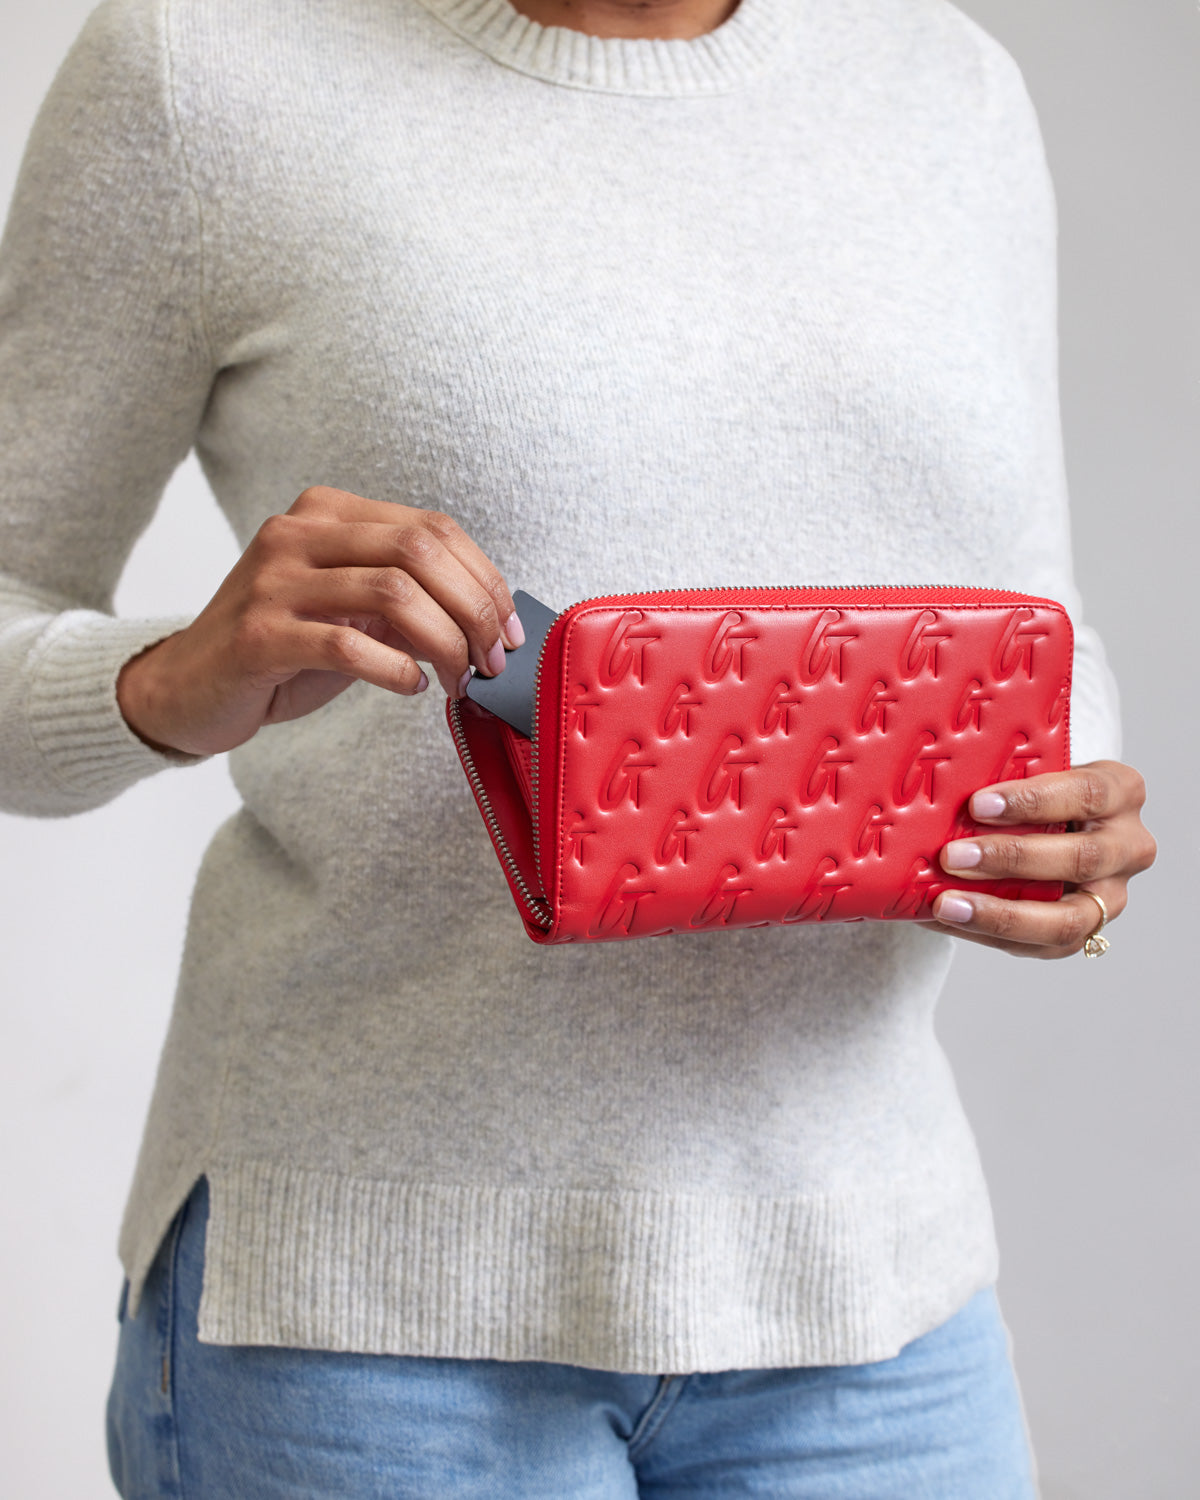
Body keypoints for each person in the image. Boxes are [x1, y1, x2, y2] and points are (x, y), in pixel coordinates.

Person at [0, 0, 1156, 1494]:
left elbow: (1040, 624)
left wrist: (1067, 817)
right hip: (366, 1321)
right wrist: (172, 678)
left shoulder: (950, 88)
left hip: (872, 1301)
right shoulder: (199, 68)